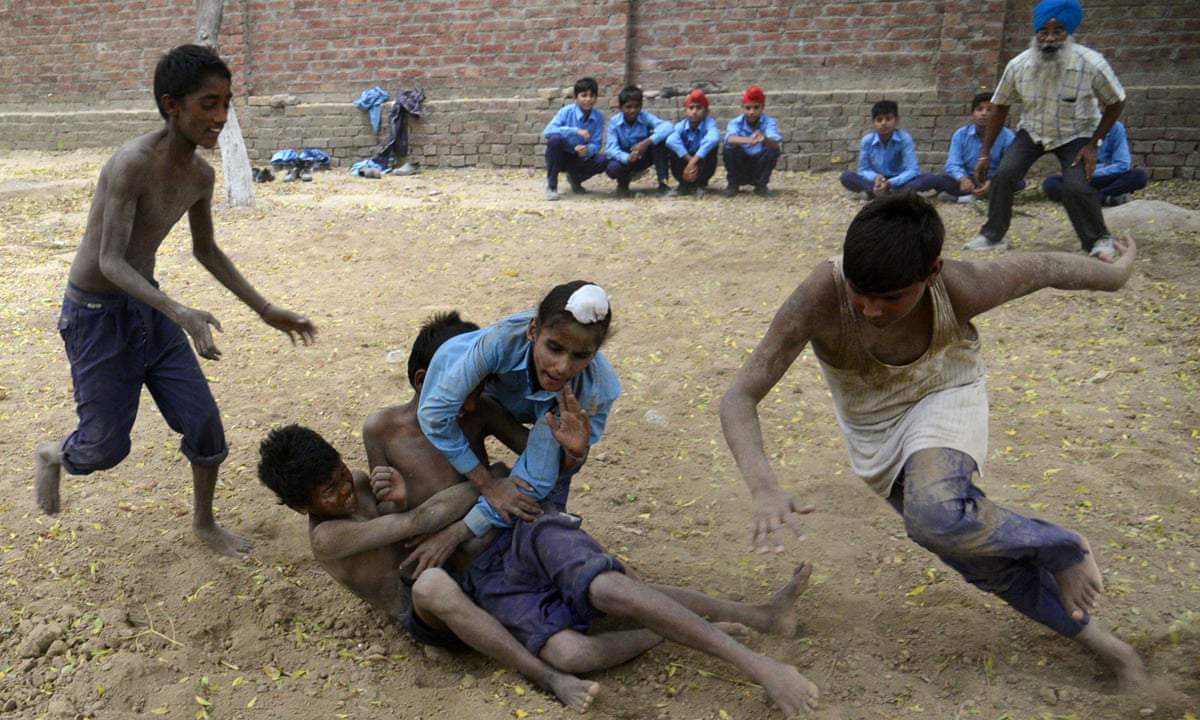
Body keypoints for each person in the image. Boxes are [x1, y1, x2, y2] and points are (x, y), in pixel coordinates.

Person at [720, 193, 1148, 693]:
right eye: (862, 293)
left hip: (947, 394)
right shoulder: (818, 297)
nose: (872, 310)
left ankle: (1065, 546)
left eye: (892, 297)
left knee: (937, 514)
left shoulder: (960, 286)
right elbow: (740, 397)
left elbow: (1047, 266)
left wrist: (1116, 274)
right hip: (874, 433)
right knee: (973, 555)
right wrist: (764, 488)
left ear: (932, 271)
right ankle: (1112, 648)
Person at [413, 281, 820, 717]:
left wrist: (572, 454)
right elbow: (437, 418)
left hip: (525, 506)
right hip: (494, 543)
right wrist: (489, 484)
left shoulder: (589, 390)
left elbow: (536, 479)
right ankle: (745, 617)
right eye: (554, 348)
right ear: (532, 331)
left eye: (580, 355)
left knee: (606, 587)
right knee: (575, 643)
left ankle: (761, 665)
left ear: (596, 353)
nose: (563, 365)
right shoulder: (487, 353)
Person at [33, 44, 317, 558]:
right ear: (172, 105)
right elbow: (110, 263)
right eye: (209, 104)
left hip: (151, 309)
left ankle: (205, 524)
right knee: (104, 448)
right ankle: (55, 454)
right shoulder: (131, 165)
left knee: (204, 423)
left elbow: (206, 250)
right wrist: (181, 311)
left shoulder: (199, 176)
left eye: (227, 103)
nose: (221, 117)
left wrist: (264, 308)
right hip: (97, 315)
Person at [966, 0, 1126, 260]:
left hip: (1076, 133)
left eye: (1058, 31)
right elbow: (1000, 107)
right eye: (1043, 32)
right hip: (1034, 131)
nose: (1050, 39)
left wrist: (1093, 143)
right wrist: (984, 152)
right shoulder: (1018, 66)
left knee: (1074, 186)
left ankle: (1098, 239)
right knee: (1005, 174)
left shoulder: (1092, 63)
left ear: (1069, 33)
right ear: (1036, 34)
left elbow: (1117, 100)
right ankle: (993, 235)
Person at [839, 99, 940, 200]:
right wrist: (876, 178)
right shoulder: (867, 140)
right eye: (879, 120)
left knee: (930, 178)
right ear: (873, 122)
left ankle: (877, 194)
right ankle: (894, 195)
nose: (883, 123)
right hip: (876, 180)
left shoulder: (904, 138)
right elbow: (863, 170)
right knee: (846, 177)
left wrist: (890, 183)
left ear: (896, 120)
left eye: (888, 119)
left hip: (899, 180)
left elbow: (912, 169)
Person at [1042, 111, 1147, 207]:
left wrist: (1093, 171)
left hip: (1106, 177)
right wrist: (1105, 165)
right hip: (1083, 179)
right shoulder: (1076, 131)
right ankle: (1105, 198)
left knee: (1139, 176)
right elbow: (1073, 164)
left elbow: (1122, 165)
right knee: (1050, 183)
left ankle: (1089, 198)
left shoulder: (1116, 128)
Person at [935, 92, 1021, 202]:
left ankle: (963, 198)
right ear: (972, 114)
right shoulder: (961, 134)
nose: (984, 114)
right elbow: (953, 163)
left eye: (989, 110)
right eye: (979, 110)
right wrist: (962, 178)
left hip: (994, 179)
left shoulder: (1007, 136)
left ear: (997, 115)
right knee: (937, 180)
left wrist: (993, 181)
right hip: (969, 179)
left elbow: (1010, 166)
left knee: (1019, 183)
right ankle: (986, 196)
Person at [542, 77, 607, 202]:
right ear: (576, 98)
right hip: (561, 156)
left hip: (579, 158)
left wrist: (587, 150)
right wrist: (575, 130)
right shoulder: (566, 112)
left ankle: (576, 179)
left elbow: (597, 144)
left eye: (592, 95)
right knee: (555, 140)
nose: (588, 99)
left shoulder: (599, 116)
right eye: (584, 95)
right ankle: (552, 187)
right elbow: (547, 132)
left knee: (603, 160)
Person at [604, 85, 673, 198]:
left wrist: (646, 142)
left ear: (641, 107)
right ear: (621, 108)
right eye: (628, 107)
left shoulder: (645, 117)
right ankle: (623, 185)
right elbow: (611, 149)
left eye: (636, 106)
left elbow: (668, 127)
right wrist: (627, 157)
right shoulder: (614, 122)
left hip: (643, 156)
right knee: (612, 167)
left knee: (659, 143)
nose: (633, 110)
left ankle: (664, 184)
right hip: (626, 158)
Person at [721, 85, 782, 197]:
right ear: (742, 108)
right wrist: (749, 140)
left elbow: (775, 143)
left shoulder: (769, 122)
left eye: (756, 107)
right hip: (741, 164)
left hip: (759, 165)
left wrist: (765, 139)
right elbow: (729, 138)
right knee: (729, 147)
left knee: (773, 149)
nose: (751, 112)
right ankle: (733, 184)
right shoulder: (735, 123)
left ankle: (761, 186)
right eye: (748, 108)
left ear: (762, 107)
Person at [665, 89, 720, 197]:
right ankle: (683, 185)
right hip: (686, 163)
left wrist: (693, 161)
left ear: (706, 111)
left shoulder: (709, 124)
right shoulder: (681, 125)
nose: (694, 111)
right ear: (686, 110)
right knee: (673, 148)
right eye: (691, 108)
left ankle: (700, 184)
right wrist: (690, 161)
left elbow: (713, 139)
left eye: (699, 108)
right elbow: (670, 140)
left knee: (711, 148)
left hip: (701, 163)